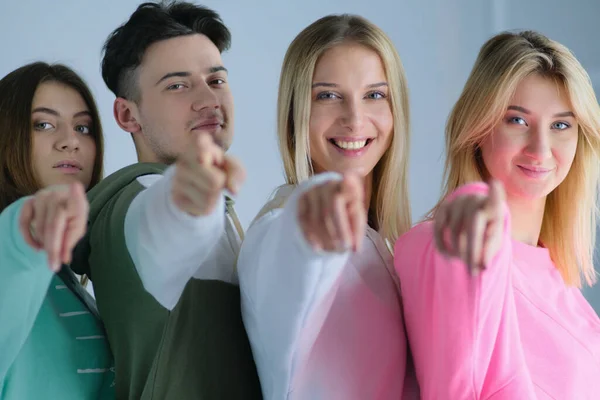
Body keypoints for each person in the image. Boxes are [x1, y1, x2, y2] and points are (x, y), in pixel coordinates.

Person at [70, 2, 262, 399]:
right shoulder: (136, 201)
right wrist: (188, 196)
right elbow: (162, 226)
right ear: (127, 116)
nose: (208, 99)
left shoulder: (222, 210)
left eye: (216, 80)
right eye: (177, 85)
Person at [395, 30, 600, 399]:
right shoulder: (440, 245)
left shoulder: (559, 277)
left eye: (561, 125)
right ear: (478, 130)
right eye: (517, 121)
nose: (541, 148)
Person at [237, 14, 418, 399]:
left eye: (374, 95)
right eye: (328, 96)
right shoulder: (279, 226)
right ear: (295, 115)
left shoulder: (388, 246)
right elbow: (292, 259)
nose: (354, 119)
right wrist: (313, 216)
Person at [0, 62, 114, 399]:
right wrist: (32, 223)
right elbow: (14, 248)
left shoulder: (64, 277)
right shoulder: (17, 244)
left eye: (83, 128)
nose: (69, 142)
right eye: (44, 124)